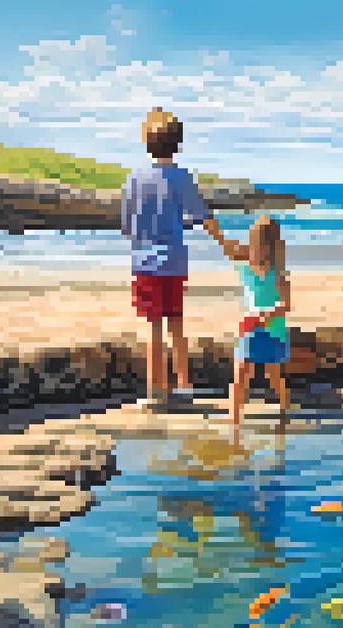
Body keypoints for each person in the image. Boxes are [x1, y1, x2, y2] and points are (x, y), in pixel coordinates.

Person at [121, 107, 217, 408]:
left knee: (153, 327)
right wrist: (227, 243)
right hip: (174, 260)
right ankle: (184, 386)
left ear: (147, 144)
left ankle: (154, 391)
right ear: (178, 144)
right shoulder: (182, 177)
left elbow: (127, 225)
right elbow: (203, 216)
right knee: (176, 323)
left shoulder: (134, 179)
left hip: (145, 263)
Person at [205, 214, 292, 426]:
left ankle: (284, 407)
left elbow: (286, 305)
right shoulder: (246, 266)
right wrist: (214, 229)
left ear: (272, 247)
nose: (256, 248)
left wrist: (268, 314)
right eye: (254, 242)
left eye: (262, 243)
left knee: (273, 374)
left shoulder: (278, 274)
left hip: (273, 330)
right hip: (250, 326)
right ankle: (233, 418)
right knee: (241, 371)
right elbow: (227, 247)